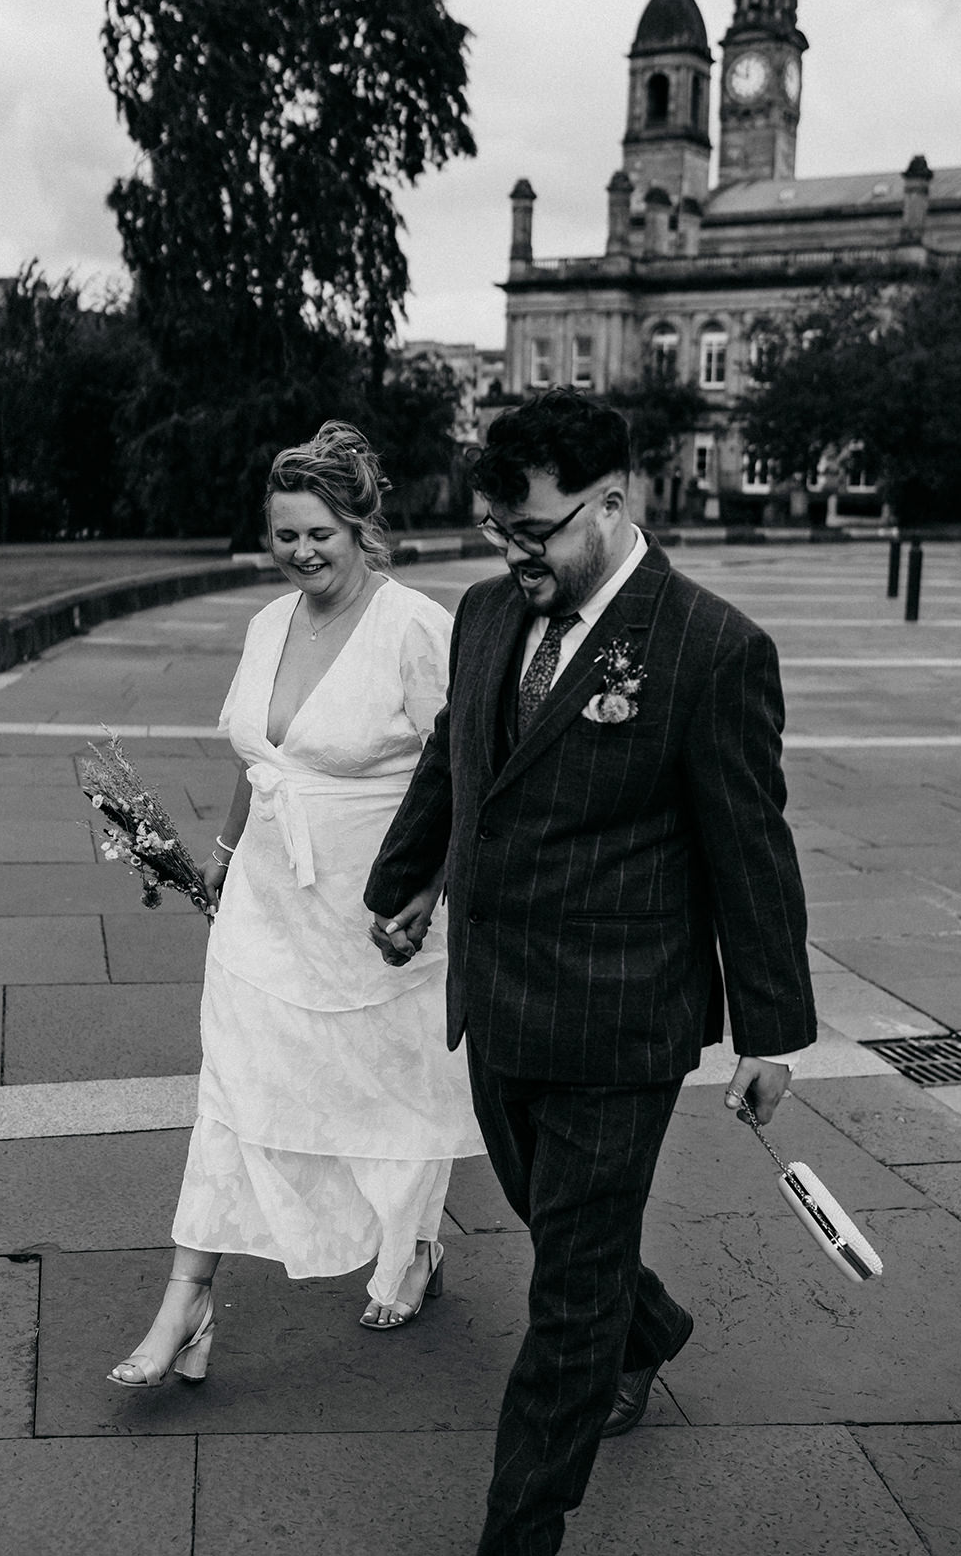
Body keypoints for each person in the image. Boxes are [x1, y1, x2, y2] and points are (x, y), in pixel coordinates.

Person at [365, 390, 816, 1555]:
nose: (514, 555)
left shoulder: (711, 648)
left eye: (536, 531)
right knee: (561, 1225)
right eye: (496, 532)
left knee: (563, 1293)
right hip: (498, 1000)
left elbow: (749, 844)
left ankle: (520, 1529)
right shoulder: (480, 615)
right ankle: (647, 1324)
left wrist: (771, 1029)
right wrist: (403, 880)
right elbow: (456, 760)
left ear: (614, 503)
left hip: (623, 1020)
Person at [108, 421, 483, 1389]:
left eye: (320, 532)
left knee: (394, 1089)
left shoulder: (416, 629)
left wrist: (429, 891)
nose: (302, 552)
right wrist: (225, 856)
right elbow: (259, 760)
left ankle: (413, 1247)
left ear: (363, 526)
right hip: (265, 907)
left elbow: (465, 776)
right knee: (233, 1094)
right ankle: (186, 1300)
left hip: (377, 908)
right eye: (285, 536)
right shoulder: (268, 623)